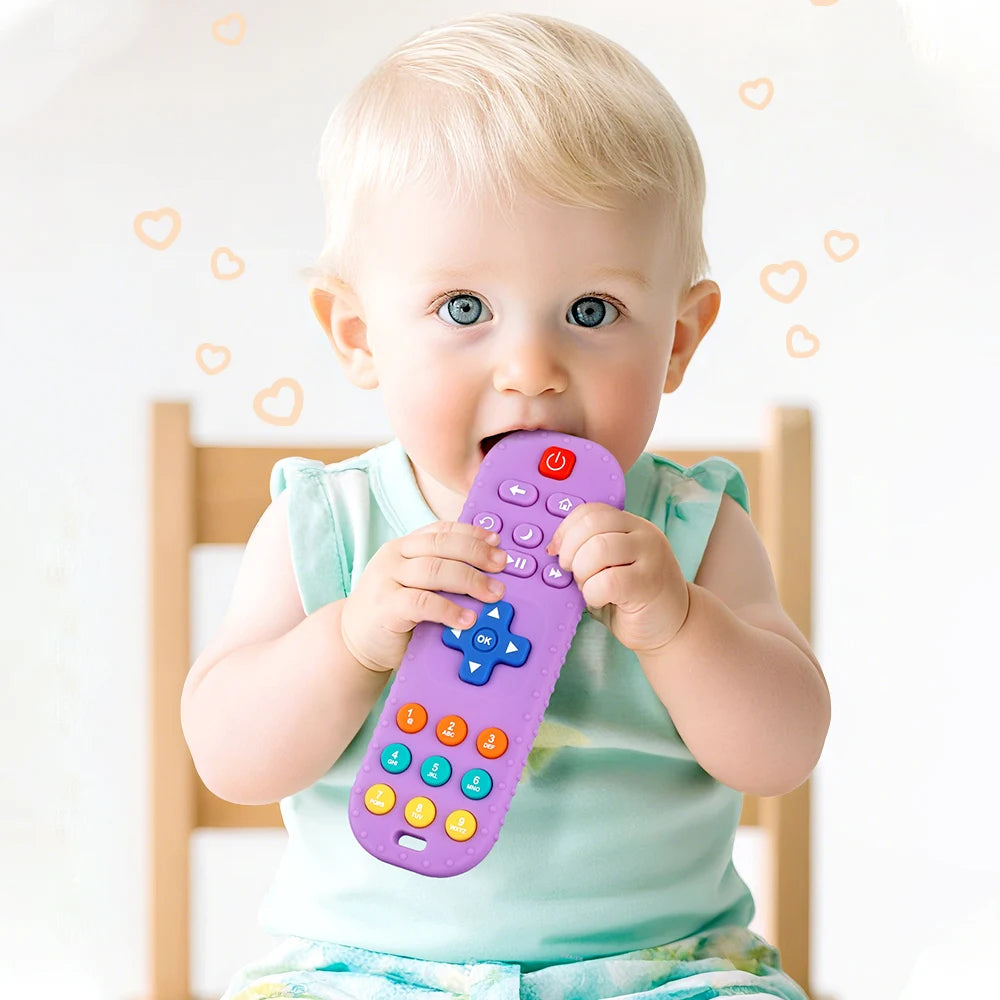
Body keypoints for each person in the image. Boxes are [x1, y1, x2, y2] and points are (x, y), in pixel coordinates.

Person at [181, 11, 831, 1000]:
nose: (531, 370)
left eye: (591, 311)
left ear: (678, 338)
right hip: (365, 971)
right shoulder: (328, 526)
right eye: (462, 308)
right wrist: (351, 637)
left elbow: (781, 753)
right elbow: (230, 754)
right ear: (355, 333)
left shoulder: (696, 535)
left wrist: (680, 624)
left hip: (662, 971)